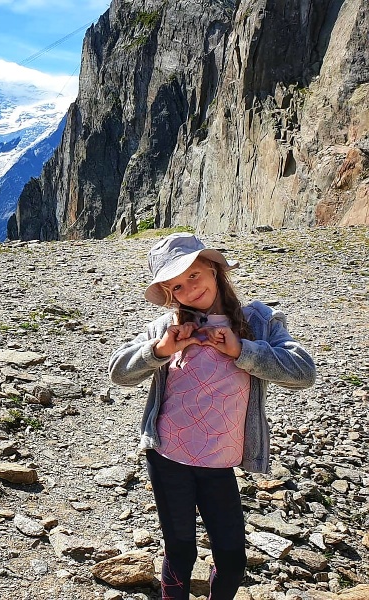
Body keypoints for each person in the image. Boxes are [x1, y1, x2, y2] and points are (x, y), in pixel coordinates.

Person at [108, 232, 315, 599]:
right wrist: (159, 350)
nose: (189, 289)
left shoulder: (258, 321)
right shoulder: (165, 329)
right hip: (168, 454)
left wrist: (243, 349)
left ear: (215, 269)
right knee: (181, 551)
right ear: (170, 297)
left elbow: (303, 372)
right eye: (176, 287)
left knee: (233, 559)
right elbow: (118, 374)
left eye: (193, 275)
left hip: (219, 460)